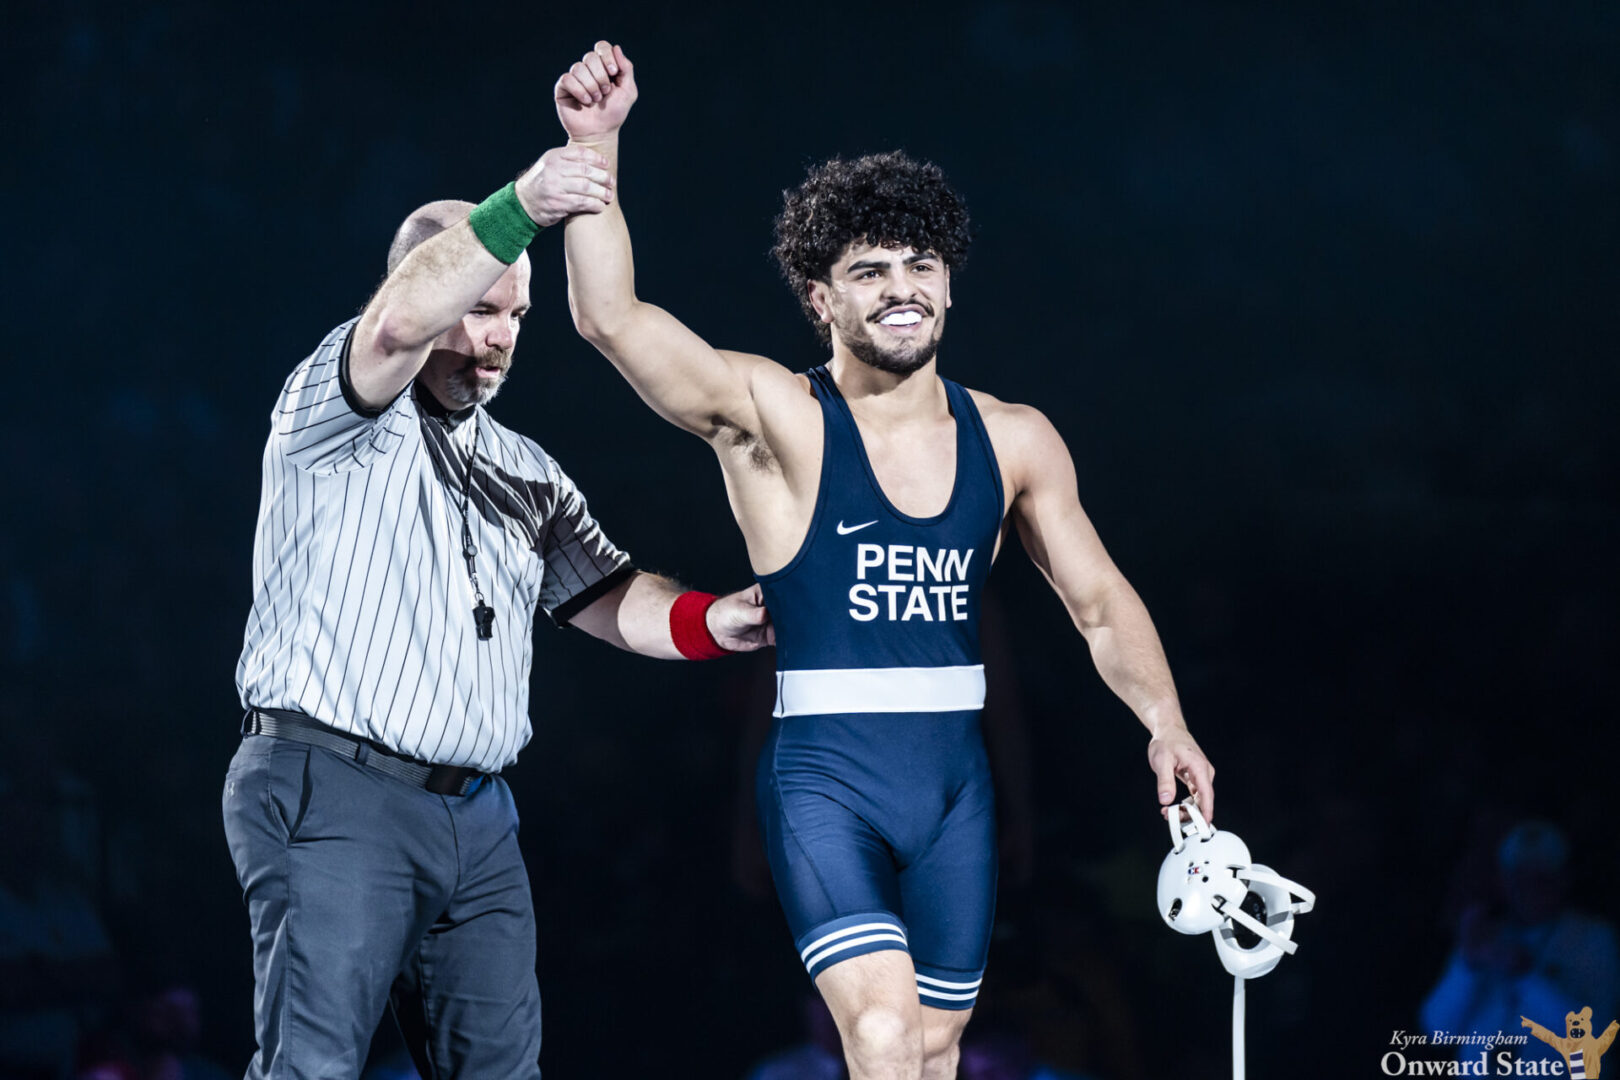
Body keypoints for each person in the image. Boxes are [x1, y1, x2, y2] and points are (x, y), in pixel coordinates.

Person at [556, 41, 1216, 1080]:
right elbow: (613, 319)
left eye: (921, 267)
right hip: (825, 776)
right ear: (821, 298)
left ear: (950, 286)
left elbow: (1097, 601)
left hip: (956, 782)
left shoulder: (1015, 439)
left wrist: (1166, 723)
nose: (901, 289)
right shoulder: (777, 416)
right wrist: (595, 146)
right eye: (869, 271)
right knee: (876, 1036)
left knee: (939, 1048)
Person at [225, 141, 773, 1080]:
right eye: (480, 308)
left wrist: (712, 623)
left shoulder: (527, 466)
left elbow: (604, 594)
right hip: (335, 784)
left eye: (516, 314)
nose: (501, 335)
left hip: (476, 818)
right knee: (309, 1069)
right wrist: (524, 200)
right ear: (432, 285)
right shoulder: (334, 409)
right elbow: (397, 327)